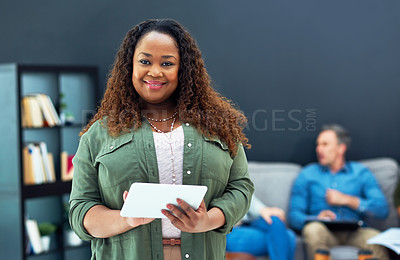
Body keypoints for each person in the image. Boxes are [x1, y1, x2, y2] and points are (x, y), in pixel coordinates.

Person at [68, 19, 254, 260]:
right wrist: (127, 218)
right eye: (145, 61)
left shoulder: (218, 127)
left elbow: (241, 187)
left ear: (183, 70)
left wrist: (207, 220)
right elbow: (81, 210)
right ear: (129, 67)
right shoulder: (99, 134)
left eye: (167, 63)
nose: (155, 72)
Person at [288, 124, 389, 260]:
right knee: (312, 230)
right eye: (318, 145)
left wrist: (347, 200)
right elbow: (294, 215)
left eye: (325, 144)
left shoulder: (361, 173)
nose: (319, 149)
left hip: (355, 231)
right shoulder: (307, 174)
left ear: (341, 148)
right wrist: (316, 219)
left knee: (376, 239)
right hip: (323, 231)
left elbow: (382, 210)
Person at [226, 194, 296, 260]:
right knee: (288, 237)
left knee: (275, 221)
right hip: (227, 231)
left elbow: (252, 204)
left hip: (248, 223)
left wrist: (265, 210)